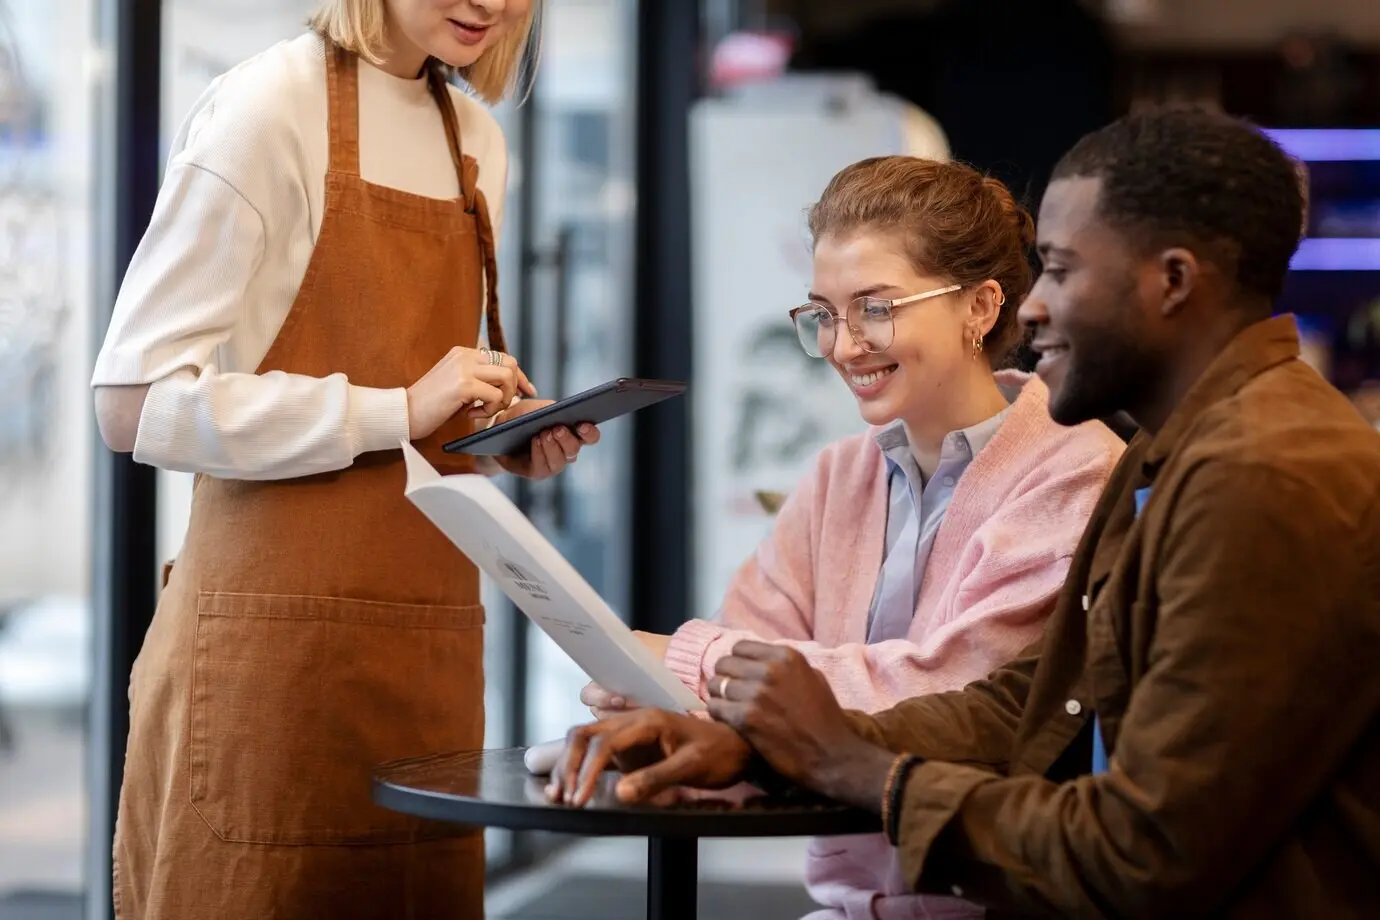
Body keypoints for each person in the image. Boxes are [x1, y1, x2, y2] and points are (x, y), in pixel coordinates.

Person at [550, 107, 1380, 917]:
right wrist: (759, 748)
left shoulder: (1263, 474)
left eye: (1059, 269)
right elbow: (1028, 703)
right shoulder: (1178, 456)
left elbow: (1143, 850)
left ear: (1172, 281)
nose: (1033, 306)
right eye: (827, 315)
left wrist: (845, 759)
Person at [90, 2, 596, 918]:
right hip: (270, 675)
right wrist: (397, 409)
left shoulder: (477, 138)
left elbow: (419, 402)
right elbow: (132, 405)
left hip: (425, 658)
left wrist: (494, 432)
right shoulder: (264, 107)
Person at [582, 156, 1125, 917]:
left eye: (875, 308)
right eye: (824, 315)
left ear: (981, 306)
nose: (843, 346)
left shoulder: (1075, 467)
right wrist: (665, 718)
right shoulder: (839, 476)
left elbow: (952, 693)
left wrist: (692, 659)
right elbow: (749, 700)